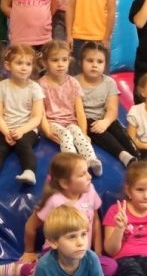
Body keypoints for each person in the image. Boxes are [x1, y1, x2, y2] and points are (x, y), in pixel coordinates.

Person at [1, 153, 115, 276]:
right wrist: (29, 252)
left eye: (87, 171)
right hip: (57, 253)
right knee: (59, 269)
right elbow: (31, 225)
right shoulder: (54, 201)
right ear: (64, 183)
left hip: (81, 253)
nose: (89, 176)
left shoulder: (90, 191)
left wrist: (97, 252)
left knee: (110, 266)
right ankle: (24, 269)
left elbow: (96, 221)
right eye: (82, 174)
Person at [29, 206, 110, 276]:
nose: (80, 242)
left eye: (83, 234)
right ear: (54, 243)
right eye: (72, 237)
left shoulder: (91, 259)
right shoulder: (44, 266)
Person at [39, 40, 103, 175]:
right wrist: (47, 131)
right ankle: (72, 163)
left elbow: (80, 111)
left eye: (64, 60)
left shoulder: (73, 83)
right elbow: (41, 112)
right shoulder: (41, 85)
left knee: (77, 133)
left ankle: (91, 159)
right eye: (55, 60)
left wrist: (84, 132)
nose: (60, 64)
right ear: (45, 63)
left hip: (70, 121)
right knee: (66, 135)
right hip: (52, 122)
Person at [0, 44, 45, 186]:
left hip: (27, 128)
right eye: (19, 63)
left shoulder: (35, 88)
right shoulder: (1, 87)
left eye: (28, 64)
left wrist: (21, 130)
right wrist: (6, 131)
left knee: (23, 145)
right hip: (5, 127)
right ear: (8, 65)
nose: (24, 68)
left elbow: (37, 117)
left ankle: (29, 171)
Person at [77, 42, 138, 167]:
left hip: (105, 118)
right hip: (86, 121)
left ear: (105, 64)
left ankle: (137, 156)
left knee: (118, 130)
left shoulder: (109, 82)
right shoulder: (74, 82)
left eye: (99, 62)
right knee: (96, 129)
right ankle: (122, 154)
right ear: (81, 62)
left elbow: (112, 110)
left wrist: (106, 121)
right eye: (90, 61)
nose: (95, 65)